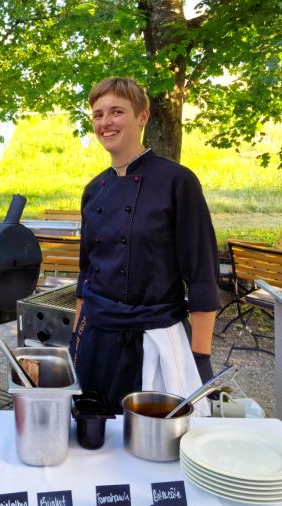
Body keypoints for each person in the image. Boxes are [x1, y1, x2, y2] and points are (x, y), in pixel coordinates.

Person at [70, 77, 221, 414]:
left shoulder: (177, 182)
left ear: (142, 117)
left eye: (117, 112)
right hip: (97, 338)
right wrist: (76, 342)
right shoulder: (94, 190)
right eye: (98, 115)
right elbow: (86, 276)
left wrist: (200, 359)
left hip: (154, 343)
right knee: (95, 439)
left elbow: (202, 277)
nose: (105, 122)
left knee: (155, 446)